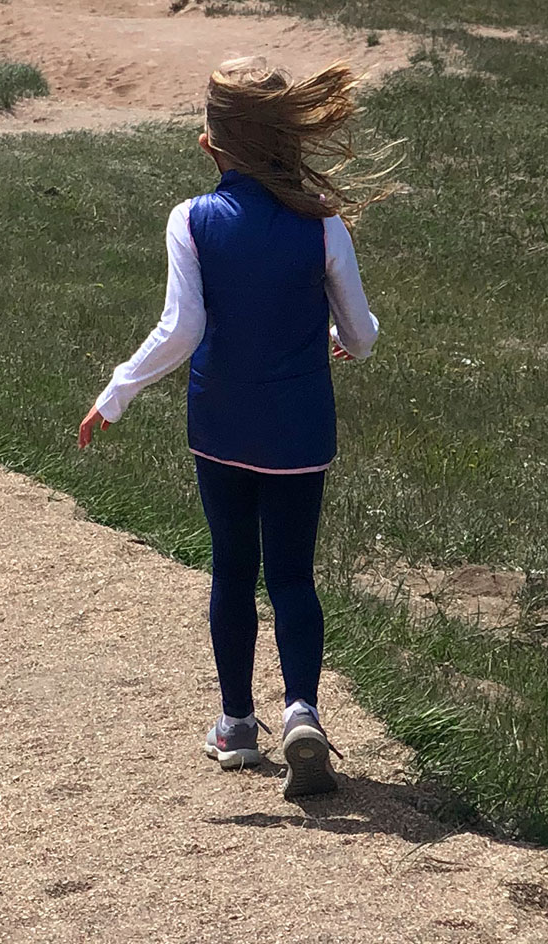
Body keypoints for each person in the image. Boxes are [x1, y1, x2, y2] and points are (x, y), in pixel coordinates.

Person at [79, 57, 388, 800]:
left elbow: (181, 329)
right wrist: (351, 337)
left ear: (211, 142)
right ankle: (303, 712)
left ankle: (236, 726)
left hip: (220, 425)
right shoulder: (325, 225)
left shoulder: (191, 219)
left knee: (231, 571)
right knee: (291, 576)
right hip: (300, 431)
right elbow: (362, 334)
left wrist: (116, 393)